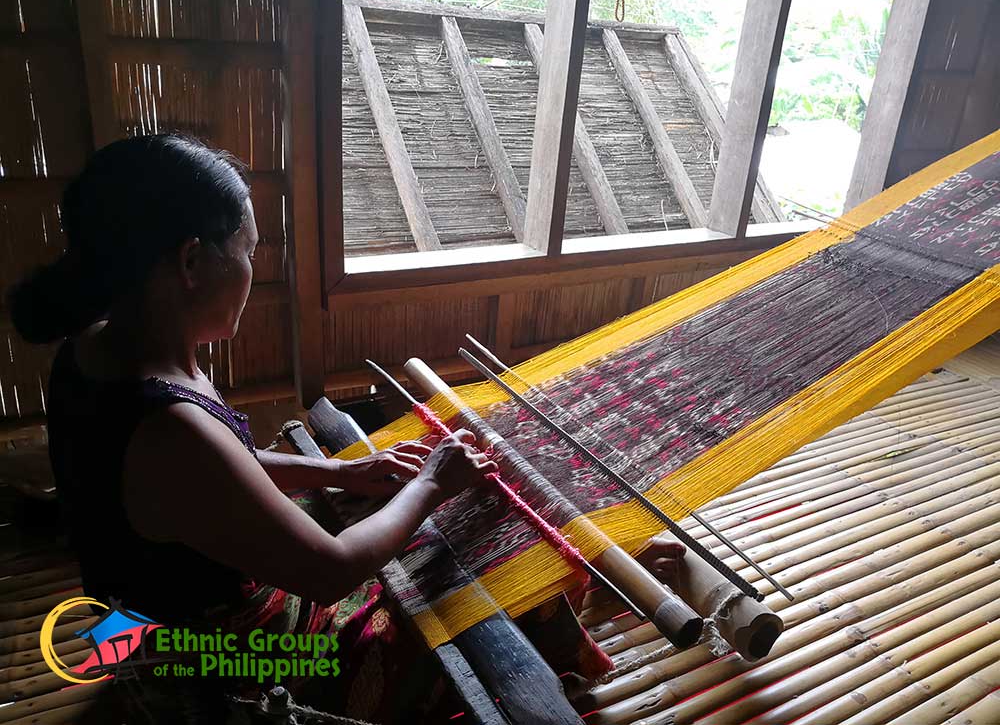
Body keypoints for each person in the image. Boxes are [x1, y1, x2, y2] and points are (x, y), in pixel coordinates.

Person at [11, 134, 685, 723]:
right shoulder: (169, 426)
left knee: (379, 514)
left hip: (130, 621)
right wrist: (429, 483)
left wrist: (339, 472)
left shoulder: (95, 348)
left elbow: (215, 477)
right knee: (480, 590)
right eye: (246, 251)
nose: (253, 269)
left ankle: (578, 596)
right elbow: (328, 573)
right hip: (208, 669)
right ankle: (575, 628)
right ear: (191, 264)